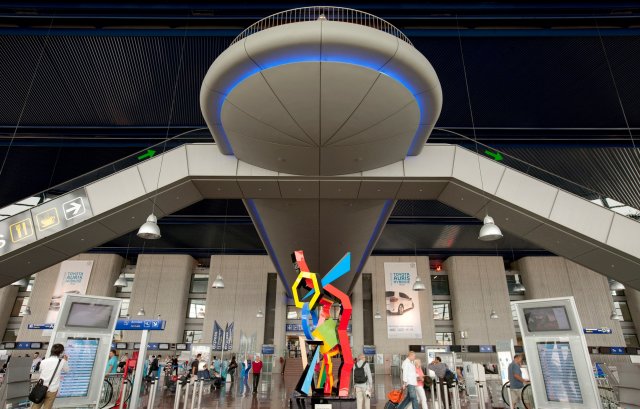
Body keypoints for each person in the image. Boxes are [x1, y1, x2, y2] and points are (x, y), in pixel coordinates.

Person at [31, 343, 69, 409]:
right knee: (47, 407)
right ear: (61, 353)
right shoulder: (62, 361)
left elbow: (40, 370)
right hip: (52, 389)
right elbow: (67, 370)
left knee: (36, 405)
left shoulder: (43, 361)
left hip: (41, 387)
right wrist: (66, 360)